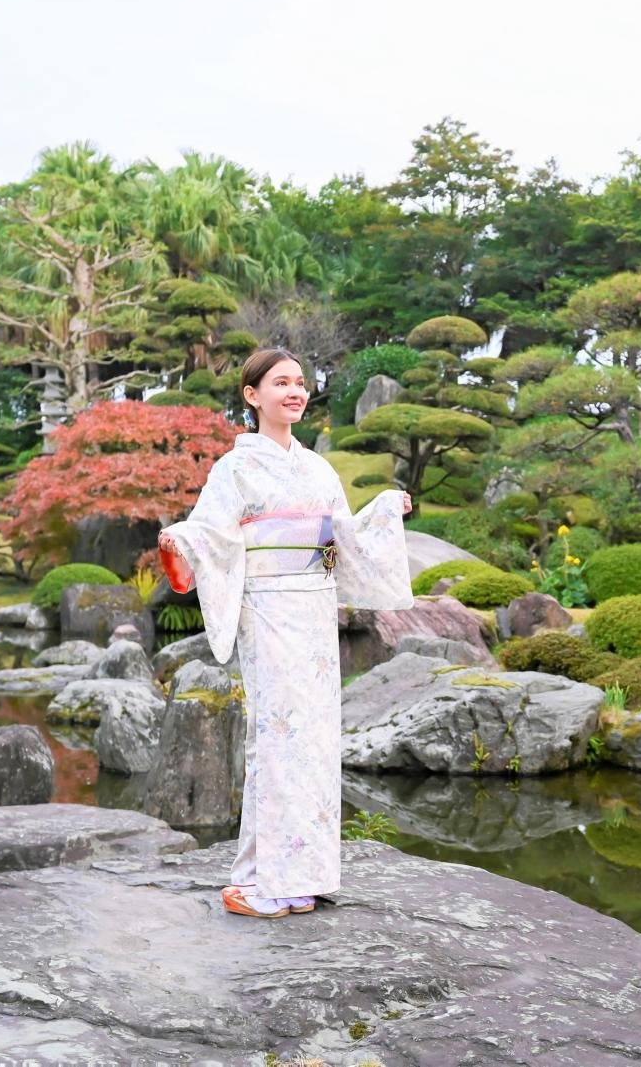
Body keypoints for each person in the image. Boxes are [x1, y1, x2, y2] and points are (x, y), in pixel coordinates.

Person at [158, 347, 414, 919]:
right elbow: (211, 533)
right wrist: (184, 544)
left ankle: (299, 871)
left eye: (301, 383)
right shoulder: (236, 467)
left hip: (315, 608)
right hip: (268, 608)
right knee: (277, 737)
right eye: (281, 383)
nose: (296, 392)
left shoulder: (317, 468)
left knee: (315, 741)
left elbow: (342, 538)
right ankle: (260, 879)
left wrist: (384, 511)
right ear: (253, 397)